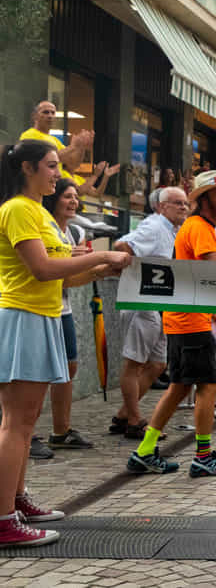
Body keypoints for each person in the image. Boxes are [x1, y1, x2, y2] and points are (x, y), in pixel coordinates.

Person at [0, 140, 129, 548]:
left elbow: (59, 277)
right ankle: (4, 518)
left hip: (40, 317)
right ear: (27, 168)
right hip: (23, 317)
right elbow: (41, 269)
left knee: (25, 422)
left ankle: (16, 501)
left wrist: (99, 267)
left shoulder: (36, 210)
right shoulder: (19, 208)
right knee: (16, 424)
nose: (58, 174)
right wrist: (98, 259)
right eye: (52, 166)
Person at [126, 171, 216, 478]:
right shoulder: (199, 227)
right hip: (190, 320)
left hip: (185, 317)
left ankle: (145, 451)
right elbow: (212, 265)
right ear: (203, 199)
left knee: (179, 387)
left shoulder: (197, 227)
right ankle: (203, 455)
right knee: (207, 385)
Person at [111, 186, 188, 438]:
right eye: (177, 203)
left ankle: (124, 414)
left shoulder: (170, 229)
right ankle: (134, 420)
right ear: (161, 206)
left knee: (157, 364)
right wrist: (130, 272)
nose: (183, 208)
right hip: (141, 303)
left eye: (185, 203)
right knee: (134, 363)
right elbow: (122, 246)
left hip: (156, 303)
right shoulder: (155, 226)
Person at [38, 179, 93, 451]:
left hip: (63, 308)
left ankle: (61, 430)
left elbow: (70, 279)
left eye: (76, 197)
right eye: (67, 196)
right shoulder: (42, 226)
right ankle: (27, 433)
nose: (73, 201)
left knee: (68, 367)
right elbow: (45, 267)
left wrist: (97, 267)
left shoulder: (75, 232)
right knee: (34, 374)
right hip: (36, 307)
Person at [21, 101, 120, 197]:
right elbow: (47, 159)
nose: (50, 115)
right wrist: (73, 147)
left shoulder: (55, 140)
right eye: (45, 112)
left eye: (53, 113)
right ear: (35, 116)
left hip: (51, 192)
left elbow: (73, 164)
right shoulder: (29, 135)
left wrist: (82, 147)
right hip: (37, 189)